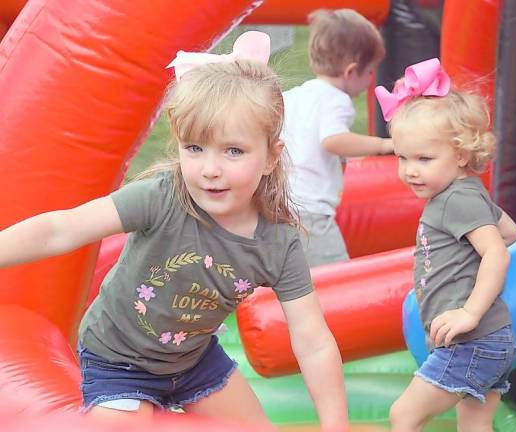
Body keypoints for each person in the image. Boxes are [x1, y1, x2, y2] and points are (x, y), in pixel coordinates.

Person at [0, 31, 347, 430]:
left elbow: (313, 340)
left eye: (233, 151)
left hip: (194, 360)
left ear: (271, 157)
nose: (210, 169)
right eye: (194, 148)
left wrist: (333, 424)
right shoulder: (163, 197)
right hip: (117, 359)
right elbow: (61, 230)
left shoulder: (276, 242)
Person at [375, 59, 516, 432]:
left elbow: (497, 251)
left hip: (473, 338)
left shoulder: (458, 199)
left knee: (403, 415)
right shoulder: (468, 194)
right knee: (474, 424)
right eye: (403, 157)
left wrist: (469, 312)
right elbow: (510, 231)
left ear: (460, 156)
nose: (410, 170)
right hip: (490, 341)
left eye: (424, 158)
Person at [281, 9, 394, 267]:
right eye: (370, 72)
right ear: (351, 71)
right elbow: (332, 139)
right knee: (336, 272)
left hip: (280, 205)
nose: (370, 80)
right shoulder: (337, 100)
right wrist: (383, 144)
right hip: (310, 212)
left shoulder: (297, 95)